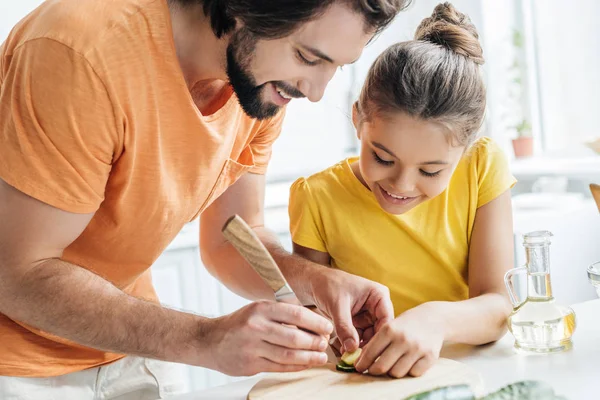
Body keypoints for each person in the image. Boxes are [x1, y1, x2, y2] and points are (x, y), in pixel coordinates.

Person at [0, 0, 410, 398]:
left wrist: (312, 280)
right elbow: (14, 274)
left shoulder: (259, 83)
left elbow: (233, 237)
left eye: (336, 66)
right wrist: (204, 339)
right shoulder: (81, 51)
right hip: (15, 367)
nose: (316, 91)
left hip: (127, 346)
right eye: (307, 57)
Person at [289, 2, 515, 379]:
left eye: (430, 170)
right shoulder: (317, 197)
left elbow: (498, 307)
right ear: (358, 118)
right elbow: (317, 322)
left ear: (466, 149)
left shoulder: (481, 165)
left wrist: (434, 320)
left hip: (474, 373)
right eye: (382, 157)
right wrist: (330, 336)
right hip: (370, 382)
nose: (401, 185)